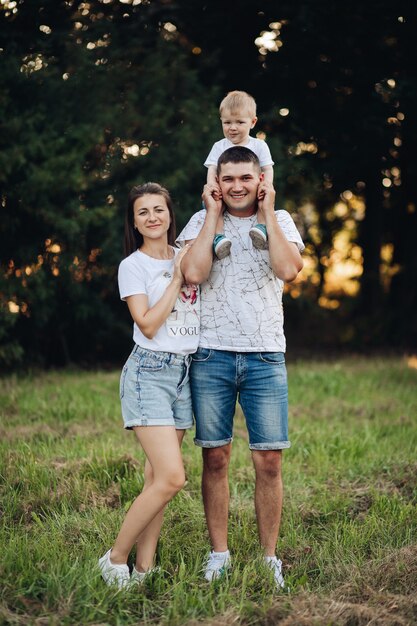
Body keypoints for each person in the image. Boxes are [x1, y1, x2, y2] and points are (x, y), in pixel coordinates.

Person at [177, 146, 304, 589]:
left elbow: (289, 269)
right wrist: (212, 214)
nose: (236, 187)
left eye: (245, 179)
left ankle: (270, 558)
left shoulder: (281, 220)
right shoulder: (199, 221)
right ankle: (219, 553)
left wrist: (267, 214)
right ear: (217, 180)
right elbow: (192, 274)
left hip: (266, 356)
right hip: (210, 354)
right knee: (215, 456)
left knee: (268, 460)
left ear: (260, 180)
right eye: (227, 179)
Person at [98, 182, 199, 589]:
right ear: (135, 222)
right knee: (173, 478)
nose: (153, 217)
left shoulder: (187, 254)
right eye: (144, 212)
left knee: (156, 478)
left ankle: (144, 568)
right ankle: (114, 558)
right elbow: (149, 324)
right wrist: (176, 278)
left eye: (159, 209)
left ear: (171, 215)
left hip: (184, 373)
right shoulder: (133, 266)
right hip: (149, 373)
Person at [204, 90, 274, 259]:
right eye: (227, 122)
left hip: (251, 192)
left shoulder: (259, 146)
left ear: (253, 122)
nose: (232, 128)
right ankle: (218, 236)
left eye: (240, 122)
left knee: (264, 199)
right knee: (215, 204)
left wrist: (267, 184)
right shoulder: (219, 146)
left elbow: (267, 168)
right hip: (225, 192)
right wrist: (212, 184)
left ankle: (261, 227)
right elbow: (212, 168)